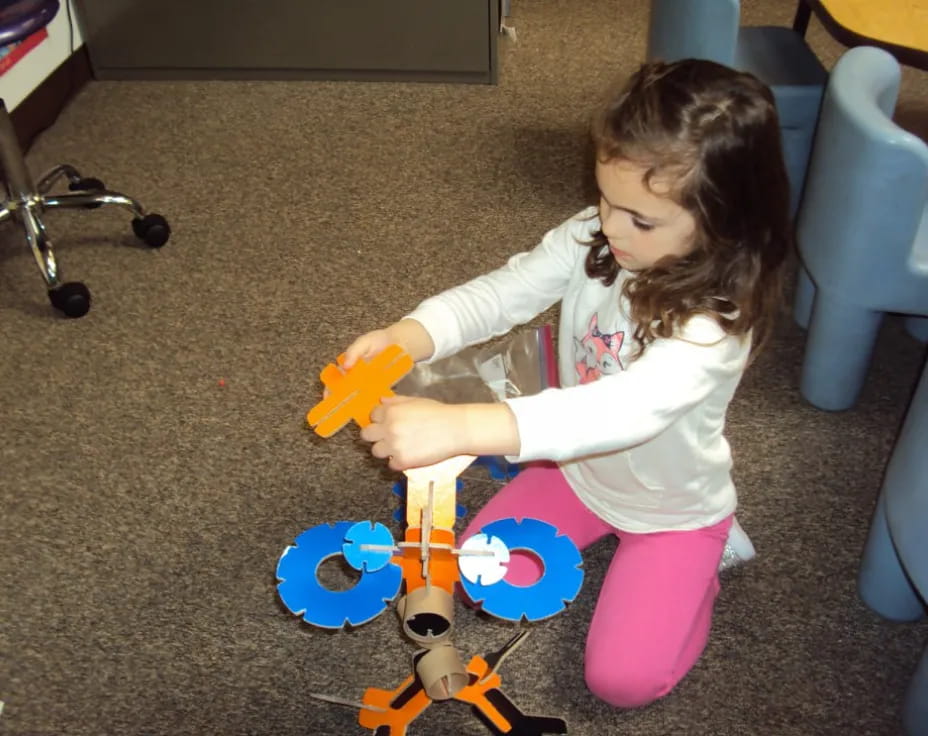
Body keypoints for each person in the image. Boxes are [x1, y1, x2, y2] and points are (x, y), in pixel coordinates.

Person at [336, 58, 791, 708]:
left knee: (620, 682)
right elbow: (504, 291)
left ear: (723, 217)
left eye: (640, 217)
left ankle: (704, 565)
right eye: (606, 198)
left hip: (670, 511)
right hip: (576, 470)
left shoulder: (715, 323)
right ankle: (625, 545)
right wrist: (411, 334)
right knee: (481, 579)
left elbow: (624, 409)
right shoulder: (594, 236)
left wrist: (463, 424)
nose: (609, 224)